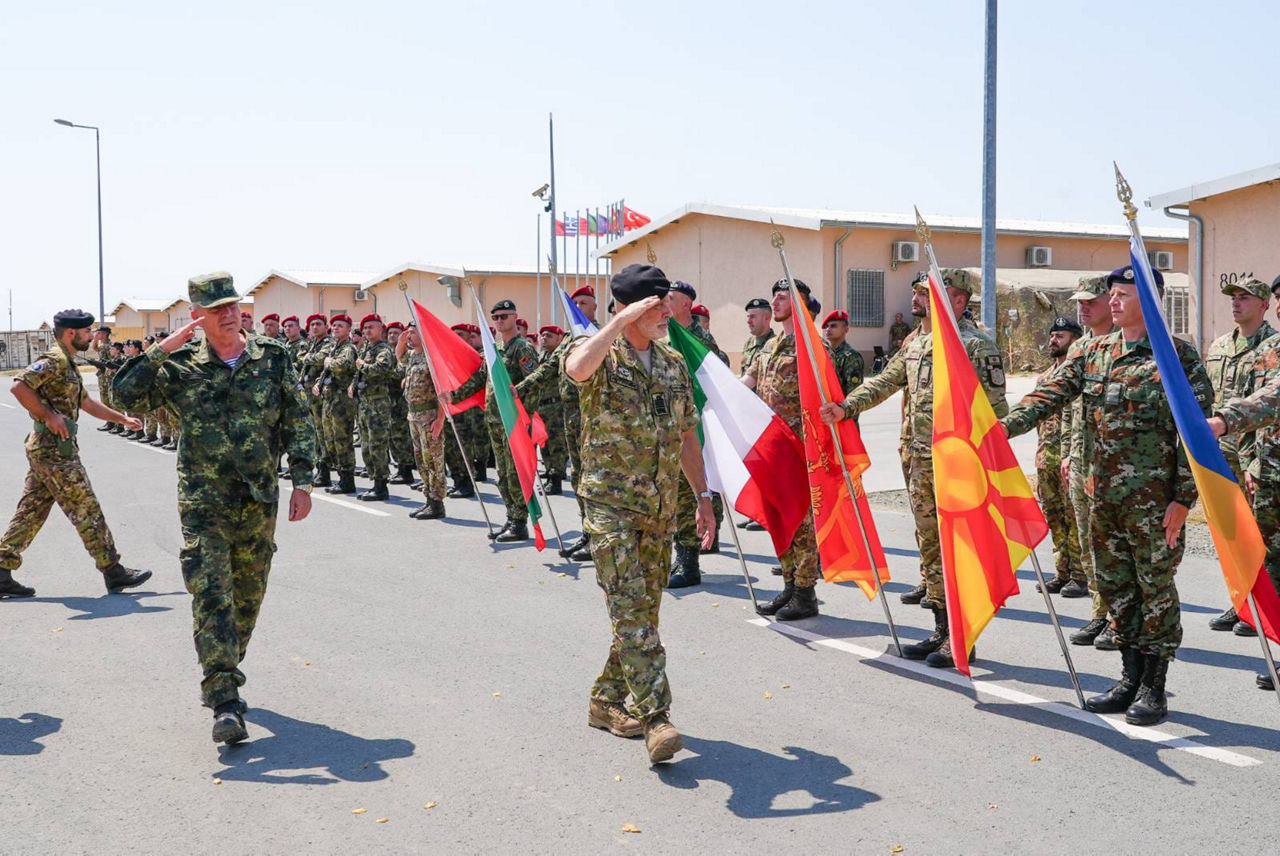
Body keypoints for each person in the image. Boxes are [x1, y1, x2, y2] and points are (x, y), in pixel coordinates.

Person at [1003, 265, 1211, 726]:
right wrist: (1002, 430)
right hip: (1103, 498)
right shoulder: (1093, 350)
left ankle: (1154, 688)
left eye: (1121, 294)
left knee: (1154, 591)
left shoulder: (1177, 357)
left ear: (1150, 301)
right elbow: (1050, 394)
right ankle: (1128, 677)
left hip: (1155, 504)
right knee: (1116, 590)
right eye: (1111, 295)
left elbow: (1195, 437)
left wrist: (1183, 499)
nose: (1112, 302)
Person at [114, 271, 316, 745]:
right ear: (197, 316)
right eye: (217, 308)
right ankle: (223, 698)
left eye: (233, 305)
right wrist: (161, 349)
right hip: (204, 501)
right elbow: (123, 394)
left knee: (246, 598)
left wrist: (303, 481)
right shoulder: (180, 364)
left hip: (258, 498)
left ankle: (225, 663)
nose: (229, 314)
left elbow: (298, 418)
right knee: (211, 595)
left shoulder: (272, 356)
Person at [563, 263, 714, 764]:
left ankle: (605, 702)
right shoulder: (600, 352)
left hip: (660, 509)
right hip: (610, 507)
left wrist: (704, 497)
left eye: (667, 302)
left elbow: (687, 432)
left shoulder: (672, 363)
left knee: (641, 616)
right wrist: (615, 322)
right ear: (629, 308)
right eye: (656, 304)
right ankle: (656, 717)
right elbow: (576, 369)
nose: (667, 312)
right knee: (632, 611)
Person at [821, 269, 1007, 668]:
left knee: (959, 548)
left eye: (928, 292)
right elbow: (886, 381)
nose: (918, 297)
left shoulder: (973, 346)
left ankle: (963, 636)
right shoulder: (916, 342)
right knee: (931, 547)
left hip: (957, 465)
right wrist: (846, 407)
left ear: (959, 301)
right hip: (919, 460)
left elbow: (995, 412)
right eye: (919, 291)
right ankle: (942, 629)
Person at [0, 310, 151, 599]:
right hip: (54, 451)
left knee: (31, 511)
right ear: (72, 333)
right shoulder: (55, 360)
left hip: (49, 449)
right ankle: (113, 571)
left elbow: (86, 402)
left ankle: (1, 569)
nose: (92, 336)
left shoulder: (67, 362)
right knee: (86, 508)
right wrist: (48, 416)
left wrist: (123, 419)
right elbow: (19, 386)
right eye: (88, 331)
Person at [744, 280, 825, 620]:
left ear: (801, 303)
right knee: (780, 517)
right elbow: (747, 384)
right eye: (774, 296)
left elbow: (824, 398)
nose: (775, 302)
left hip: (799, 448)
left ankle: (805, 593)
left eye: (782, 297)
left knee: (802, 521)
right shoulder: (768, 347)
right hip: (772, 447)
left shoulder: (811, 346)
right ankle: (790, 585)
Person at [1203, 277, 1278, 636]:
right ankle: (1242, 602)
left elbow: (1266, 406)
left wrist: (1253, 462)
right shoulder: (1219, 346)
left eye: (1244, 297)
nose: (1236, 302)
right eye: (1233, 296)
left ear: (1263, 304)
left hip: (1254, 454)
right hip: (1220, 452)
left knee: (1259, 536)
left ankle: (1259, 607)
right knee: (1232, 533)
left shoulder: (1270, 347)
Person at [1056, 275, 1119, 648]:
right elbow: (1067, 406)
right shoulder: (1081, 348)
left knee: (1111, 548)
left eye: (1090, 301)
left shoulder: (1119, 345)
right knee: (1088, 542)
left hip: (1111, 466)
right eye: (1079, 301)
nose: (1083, 307)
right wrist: (1066, 451)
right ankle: (1100, 613)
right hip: (1080, 460)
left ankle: (1117, 619)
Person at [452, 300, 540, 542]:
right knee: (503, 473)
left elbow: (536, 381)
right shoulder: (495, 347)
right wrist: (453, 396)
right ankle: (512, 518)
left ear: (515, 317)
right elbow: (480, 378)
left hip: (514, 422)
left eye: (504, 316)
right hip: (495, 419)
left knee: (514, 474)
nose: (500, 321)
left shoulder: (522, 348)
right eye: (496, 318)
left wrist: (521, 398)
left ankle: (520, 522)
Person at [665, 281, 728, 583]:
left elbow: (715, 377)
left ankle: (689, 564)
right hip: (671, 424)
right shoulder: (665, 335)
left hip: (696, 425)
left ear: (686, 304)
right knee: (675, 494)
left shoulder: (700, 338)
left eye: (671, 298)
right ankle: (680, 557)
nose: (664, 302)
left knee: (689, 492)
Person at [1034, 316, 1083, 599]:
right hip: (1046, 459)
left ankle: (1079, 575)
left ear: (1075, 341)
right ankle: (1061, 571)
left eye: (1060, 336)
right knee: (1054, 517)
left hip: (1069, 460)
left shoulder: (1077, 378)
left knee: (1073, 517)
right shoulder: (1044, 378)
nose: (1054, 340)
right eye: (1053, 335)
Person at [396, 325, 448, 519]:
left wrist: (440, 419)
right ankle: (428, 499)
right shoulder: (413, 356)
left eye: (413, 332)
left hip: (429, 415)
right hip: (414, 415)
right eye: (408, 332)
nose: (409, 336)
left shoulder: (431, 357)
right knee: (420, 459)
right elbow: (399, 357)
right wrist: (401, 342)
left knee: (433, 460)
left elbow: (443, 391)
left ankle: (437, 503)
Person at [352, 313, 397, 502]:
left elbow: (380, 370)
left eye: (371, 327)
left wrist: (362, 366)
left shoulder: (383, 350)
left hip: (378, 405)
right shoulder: (366, 349)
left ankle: (381, 486)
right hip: (365, 404)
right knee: (366, 447)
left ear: (381, 330)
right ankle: (374, 482)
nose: (367, 330)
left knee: (377, 446)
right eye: (365, 328)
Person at [316, 314, 359, 495]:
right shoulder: (335, 348)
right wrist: (319, 382)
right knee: (330, 440)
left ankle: (347, 480)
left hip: (341, 403)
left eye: (340, 326)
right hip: (329, 401)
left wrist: (329, 361)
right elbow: (327, 371)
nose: (335, 328)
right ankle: (340, 476)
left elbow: (343, 365)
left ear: (349, 329)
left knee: (342, 441)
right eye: (333, 326)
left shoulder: (348, 348)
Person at [299, 314, 333, 486]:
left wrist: (306, 357)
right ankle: (319, 468)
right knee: (314, 433)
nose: (314, 327)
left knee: (322, 433)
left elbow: (321, 358)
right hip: (309, 395)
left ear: (326, 326)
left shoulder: (328, 343)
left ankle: (325, 471)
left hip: (320, 395)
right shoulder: (314, 343)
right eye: (311, 324)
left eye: (318, 324)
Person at [534, 325, 568, 494]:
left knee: (556, 445)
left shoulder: (560, 356)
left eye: (549, 336)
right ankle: (549, 474)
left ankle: (556, 481)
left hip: (555, 406)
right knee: (545, 444)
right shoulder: (542, 356)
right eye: (542, 336)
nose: (544, 338)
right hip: (542, 406)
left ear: (558, 339)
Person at [384, 321, 416, 486]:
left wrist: (383, 372)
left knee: (401, 435)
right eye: (390, 333)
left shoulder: (408, 353)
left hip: (401, 400)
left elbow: (401, 373)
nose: (392, 336)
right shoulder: (387, 352)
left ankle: (406, 470)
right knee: (392, 435)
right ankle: (399, 466)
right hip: (389, 400)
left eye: (396, 333)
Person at [821, 309, 865, 396]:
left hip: (840, 407)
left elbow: (853, 393)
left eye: (833, 326)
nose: (828, 329)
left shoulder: (851, 356)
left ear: (845, 329)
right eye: (827, 326)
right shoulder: (824, 353)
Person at [740, 297, 775, 378]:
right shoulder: (749, 343)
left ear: (767, 318)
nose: (748, 321)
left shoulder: (775, 344)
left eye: (752, 317)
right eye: (748, 316)